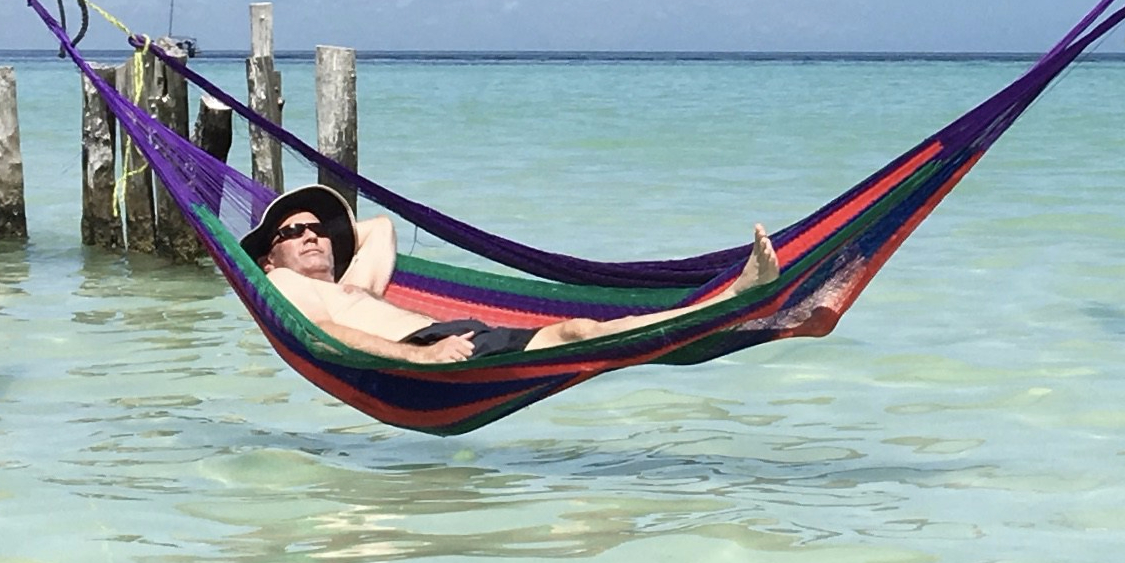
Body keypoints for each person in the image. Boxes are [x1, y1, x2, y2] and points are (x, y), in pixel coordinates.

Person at [237, 183, 780, 364]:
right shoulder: (285, 286)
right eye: (291, 233)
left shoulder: (353, 288)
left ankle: (720, 307)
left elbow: (378, 227)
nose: (310, 235)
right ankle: (730, 298)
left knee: (580, 332)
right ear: (268, 260)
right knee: (580, 333)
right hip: (429, 350)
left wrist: (335, 250)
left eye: (318, 230)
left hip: (459, 335)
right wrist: (419, 355)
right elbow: (324, 334)